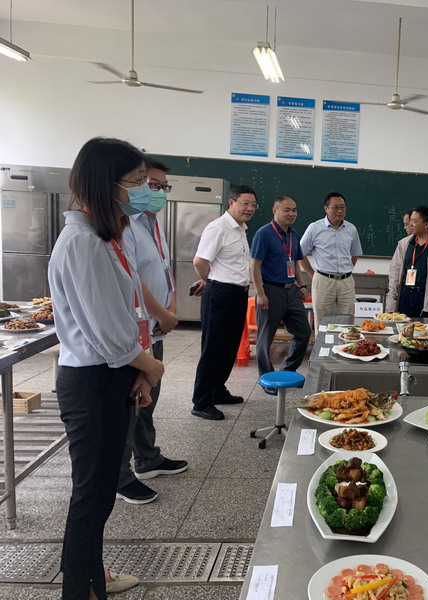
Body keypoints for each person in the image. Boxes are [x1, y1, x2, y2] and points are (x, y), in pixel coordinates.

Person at [48, 137, 165, 599]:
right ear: (106, 184)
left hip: (114, 374)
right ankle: (81, 588)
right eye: (136, 182)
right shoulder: (82, 244)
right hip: (92, 381)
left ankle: (92, 575)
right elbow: (109, 335)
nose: (144, 190)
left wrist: (138, 371)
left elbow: (126, 312)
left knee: (97, 494)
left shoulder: (106, 236)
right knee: (92, 494)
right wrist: (151, 367)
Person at [115, 158, 188, 504]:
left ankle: (148, 458)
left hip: (155, 326)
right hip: (137, 329)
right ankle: (120, 475)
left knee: (148, 397)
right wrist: (161, 313)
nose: (157, 192)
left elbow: (161, 269)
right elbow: (132, 278)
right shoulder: (125, 224)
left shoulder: (153, 223)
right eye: (150, 184)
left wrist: (169, 309)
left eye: (162, 187)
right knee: (132, 402)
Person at [190, 185, 256, 420]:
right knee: (213, 349)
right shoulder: (218, 227)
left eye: (253, 205)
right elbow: (200, 261)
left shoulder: (240, 229)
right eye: (245, 203)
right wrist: (211, 281)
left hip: (238, 293)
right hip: (220, 293)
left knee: (229, 347)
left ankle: (217, 390)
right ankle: (201, 401)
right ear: (232, 202)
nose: (249, 208)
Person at [251, 195, 311, 392]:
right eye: (287, 210)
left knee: (303, 332)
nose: (291, 213)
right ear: (274, 210)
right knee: (265, 339)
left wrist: (302, 285)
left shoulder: (294, 234)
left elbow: (295, 262)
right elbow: (255, 265)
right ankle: (267, 379)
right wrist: (260, 293)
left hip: (291, 291)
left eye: (294, 210)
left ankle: (288, 371)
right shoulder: (264, 233)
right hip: (270, 290)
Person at [299, 192, 363, 325]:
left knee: (346, 322)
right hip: (323, 281)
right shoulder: (315, 228)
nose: (340, 211)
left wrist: (347, 270)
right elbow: (299, 254)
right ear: (326, 208)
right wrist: (313, 275)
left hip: (346, 282)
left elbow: (355, 253)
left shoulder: (351, 229)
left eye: (342, 207)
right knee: (323, 322)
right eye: (335, 207)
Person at [386, 205, 428, 319]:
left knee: (424, 329)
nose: (410, 225)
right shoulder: (404, 243)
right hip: (406, 294)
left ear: (426, 224)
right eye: (410, 221)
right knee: (403, 328)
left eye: (414, 221)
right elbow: (394, 273)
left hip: (426, 295)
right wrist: (391, 302)